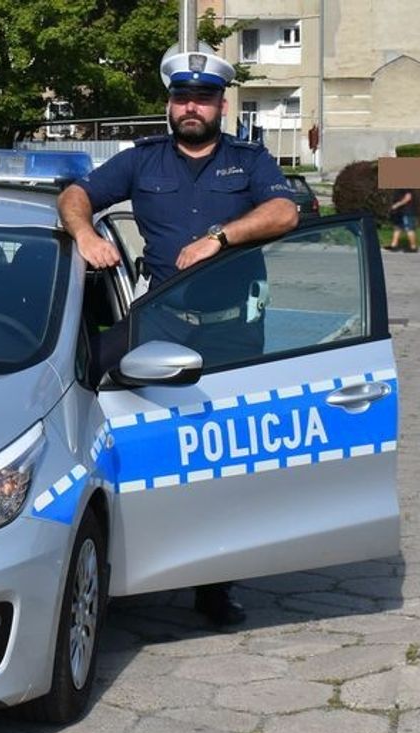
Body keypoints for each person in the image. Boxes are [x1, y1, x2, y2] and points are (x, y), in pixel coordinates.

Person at [57, 47, 299, 627]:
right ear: (170, 103)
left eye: (204, 98)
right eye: (181, 97)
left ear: (221, 104)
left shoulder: (249, 160)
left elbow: (286, 212)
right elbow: (75, 194)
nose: (191, 107)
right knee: (85, 391)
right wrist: (86, 234)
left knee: (225, 456)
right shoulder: (143, 162)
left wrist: (220, 236)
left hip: (233, 334)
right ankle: (93, 540)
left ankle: (215, 583)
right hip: (160, 321)